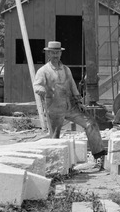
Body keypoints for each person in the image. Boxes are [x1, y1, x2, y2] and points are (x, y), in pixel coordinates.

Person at [33, 41, 108, 171]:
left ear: (61, 53)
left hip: (70, 106)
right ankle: (56, 168)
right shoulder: (43, 71)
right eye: (52, 53)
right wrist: (41, 90)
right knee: (55, 137)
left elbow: (73, 86)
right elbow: (37, 84)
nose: (55, 55)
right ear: (48, 54)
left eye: (57, 52)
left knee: (91, 124)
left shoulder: (66, 69)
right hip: (54, 108)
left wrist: (79, 102)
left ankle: (99, 157)